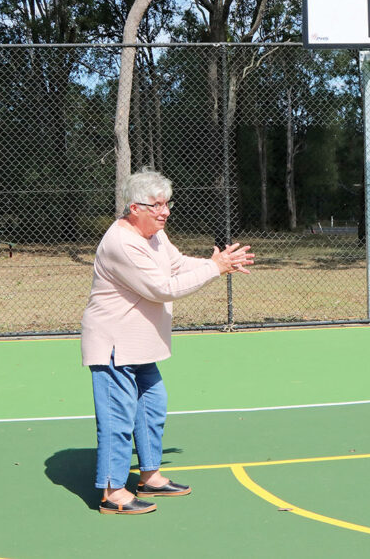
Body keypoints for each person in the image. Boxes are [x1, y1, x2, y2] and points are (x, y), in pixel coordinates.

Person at [81, 168, 254, 514]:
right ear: (134, 208)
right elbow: (163, 289)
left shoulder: (155, 235)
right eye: (156, 205)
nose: (165, 211)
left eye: (166, 203)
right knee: (118, 418)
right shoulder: (122, 243)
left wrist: (216, 262)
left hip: (141, 344)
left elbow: (176, 265)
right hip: (115, 344)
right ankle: (113, 494)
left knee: (152, 404)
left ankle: (150, 476)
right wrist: (214, 269)